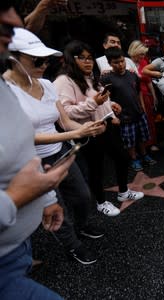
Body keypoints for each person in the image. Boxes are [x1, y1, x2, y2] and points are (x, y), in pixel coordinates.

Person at [4, 28, 107, 264]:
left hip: (62, 154)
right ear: (13, 59)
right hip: (30, 163)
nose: (44, 64)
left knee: (82, 196)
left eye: (46, 59)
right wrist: (75, 133)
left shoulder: (47, 85)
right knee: (54, 206)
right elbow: (22, 137)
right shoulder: (6, 92)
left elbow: (64, 121)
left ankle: (82, 227)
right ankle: (72, 245)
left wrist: (88, 128)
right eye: (36, 60)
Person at [0, 4, 71, 299]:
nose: (14, 21)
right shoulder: (11, 85)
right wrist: (17, 198)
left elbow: (19, 145)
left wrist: (44, 197)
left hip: (15, 244)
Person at [54, 40, 144, 217]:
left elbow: (101, 98)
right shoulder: (64, 81)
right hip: (88, 131)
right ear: (72, 59)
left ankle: (123, 192)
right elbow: (66, 113)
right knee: (96, 169)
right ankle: (101, 202)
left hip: (107, 126)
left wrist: (112, 106)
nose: (88, 62)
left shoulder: (91, 77)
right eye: (82, 58)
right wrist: (93, 103)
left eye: (90, 58)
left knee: (123, 157)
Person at [102, 47, 156, 171]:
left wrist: (142, 107)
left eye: (122, 61)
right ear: (109, 63)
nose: (120, 65)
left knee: (142, 136)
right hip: (124, 116)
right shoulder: (107, 78)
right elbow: (105, 99)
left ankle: (144, 155)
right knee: (129, 141)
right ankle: (134, 158)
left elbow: (138, 92)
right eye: (116, 62)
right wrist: (113, 116)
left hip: (138, 112)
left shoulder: (132, 74)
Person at [128, 40, 158, 151]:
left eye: (144, 54)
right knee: (138, 122)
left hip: (146, 95)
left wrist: (154, 96)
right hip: (134, 97)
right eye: (141, 54)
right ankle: (141, 147)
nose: (143, 56)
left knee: (149, 120)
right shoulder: (127, 63)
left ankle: (152, 143)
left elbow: (149, 81)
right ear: (134, 52)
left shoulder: (144, 62)